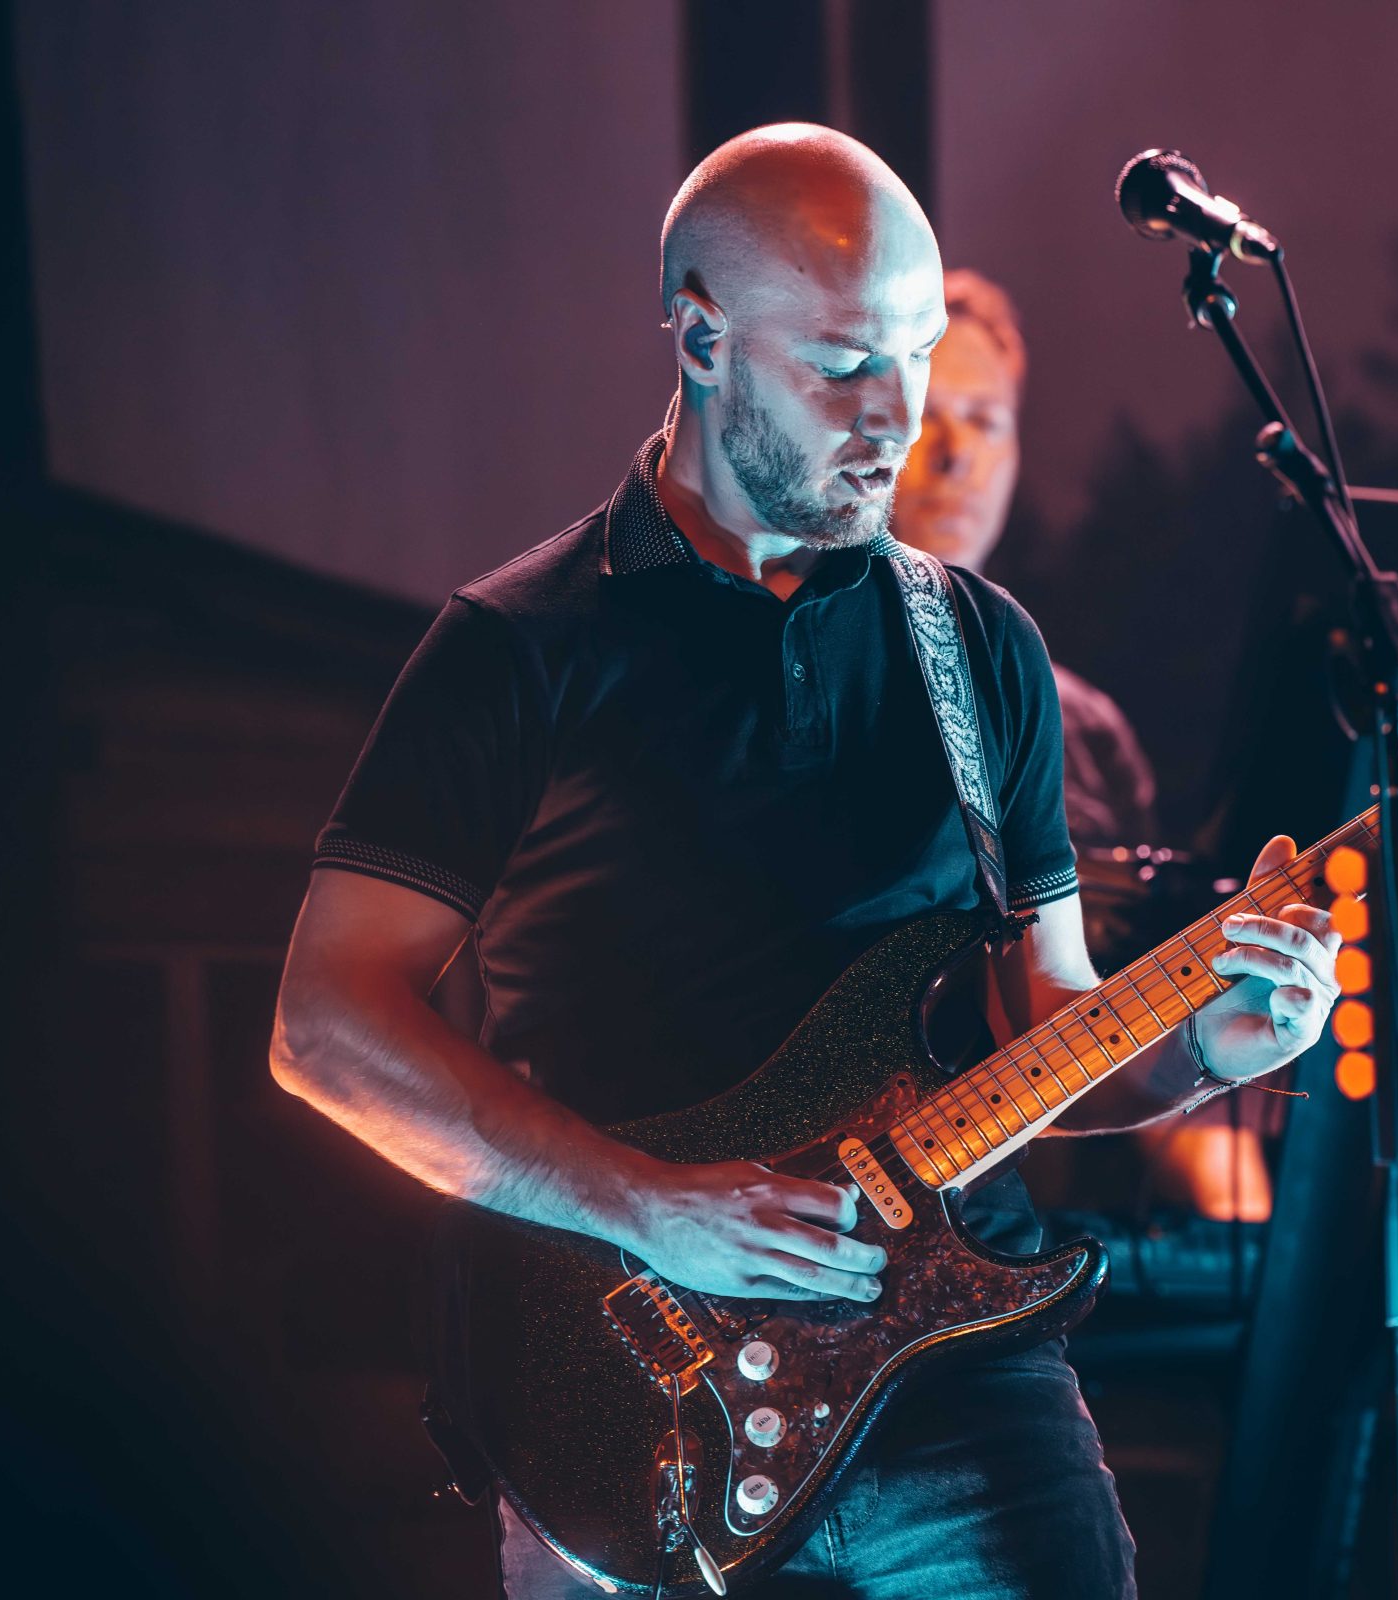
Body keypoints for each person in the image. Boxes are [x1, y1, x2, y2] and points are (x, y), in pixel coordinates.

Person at [266, 125, 1339, 1599]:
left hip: (964, 1384)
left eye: (914, 354)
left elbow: (1051, 1029)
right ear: (701, 340)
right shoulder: (518, 649)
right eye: (843, 365)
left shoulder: (983, 650)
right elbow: (326, 1029)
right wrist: (648, 1203)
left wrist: (1214, 1048)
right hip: (633, 1394)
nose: (894, 417)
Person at [891, 268, 1274, 1223]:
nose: (955, 458)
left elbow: (1109, 1017)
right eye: (931, 417)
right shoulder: (798, 685)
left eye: (986, 422)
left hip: (1050, 1243)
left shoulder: (1083, 729)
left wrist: (1249, 1224)